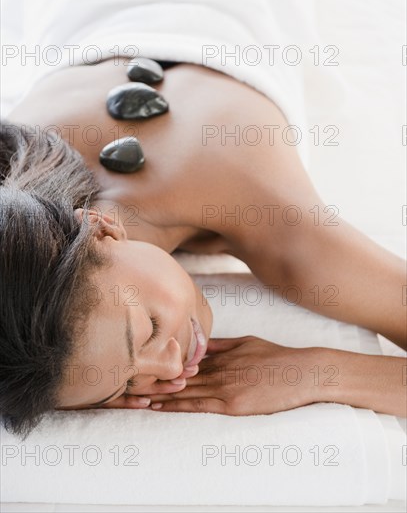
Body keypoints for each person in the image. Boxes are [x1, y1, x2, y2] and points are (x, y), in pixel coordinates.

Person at [1, 57, 405, 440]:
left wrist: (316, 371)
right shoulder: (23, 250)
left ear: (101, 229)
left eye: (150, 330)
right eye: (128, 384)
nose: (174, 367)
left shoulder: (285, 231)